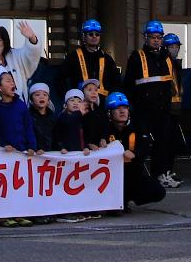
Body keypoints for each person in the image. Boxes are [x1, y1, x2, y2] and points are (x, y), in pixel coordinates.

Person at [126, 21, 180, 188]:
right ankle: (137, 177)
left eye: (159, 37)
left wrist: (174, 106)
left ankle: (160, 175)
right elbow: (129, 84)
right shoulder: (137, 57)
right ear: (145, 38)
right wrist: (131, 108)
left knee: (163, 144)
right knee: (142, 144)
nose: (156, 40)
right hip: (143, 110)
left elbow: (174, 84)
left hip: (163, 110)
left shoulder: (167, 58)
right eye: (153, 37)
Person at [103, 91, 164, 209]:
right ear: (109, 112)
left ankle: (127, 198)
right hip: (110, 179)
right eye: (117, 108)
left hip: (132, 175)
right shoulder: (104, 129)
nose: (122, 111)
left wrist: (135, 153)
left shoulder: (137, 126)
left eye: (125, 108)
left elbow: (146, 145)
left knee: (158, 191)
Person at [62, 18, 120, 97]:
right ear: (84, 36)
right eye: (91, 34)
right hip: (81, 101)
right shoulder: (73, 57)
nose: (94, 36)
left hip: (102, 102)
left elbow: (116, 82)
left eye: (97, 34)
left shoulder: (107, 59)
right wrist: (71, 97)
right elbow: (61, 79)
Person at [0, 73, 32, 151]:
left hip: (22, 153)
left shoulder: (21, 105)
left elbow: (28, 127)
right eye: (8, 81)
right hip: (2, 154)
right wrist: (3, 145)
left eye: (13, 81)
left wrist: (31, 146)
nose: (12, 83)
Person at [26, 81, 58, 153]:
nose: (41, 97)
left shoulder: (53, 117)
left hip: (52, 156)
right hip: (34, 155)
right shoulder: (28, 116)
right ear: (31, 100)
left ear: (48, 100)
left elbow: (57, 136)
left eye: (45, 95)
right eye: (37, 95)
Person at [80, 78, 109, 148]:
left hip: (99, 150)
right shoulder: (79, 112)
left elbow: (105, 126)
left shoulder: (100, 110)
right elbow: (77, 132)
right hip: (84, 151)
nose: (94, 92)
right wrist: (88, 144)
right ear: (82, 93)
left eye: (96, 90)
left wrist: (103, 138)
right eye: (90, 90)